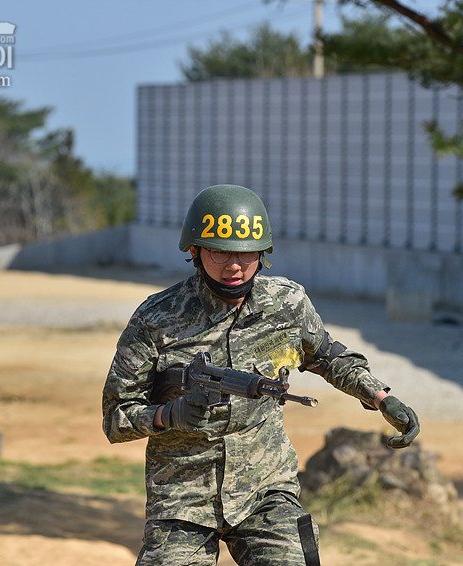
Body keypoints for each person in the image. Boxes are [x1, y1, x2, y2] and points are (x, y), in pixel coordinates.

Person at [102, 184, 420, 566]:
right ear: (194, 251)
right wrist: (166, 416)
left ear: (263, 253)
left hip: (265, 489)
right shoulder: (156, 320)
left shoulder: (286, 304)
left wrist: (382, 397)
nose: (234, 265)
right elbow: (115, 416)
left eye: (245, 252)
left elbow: (331, 357)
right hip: (181, 498)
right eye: (220, 251)